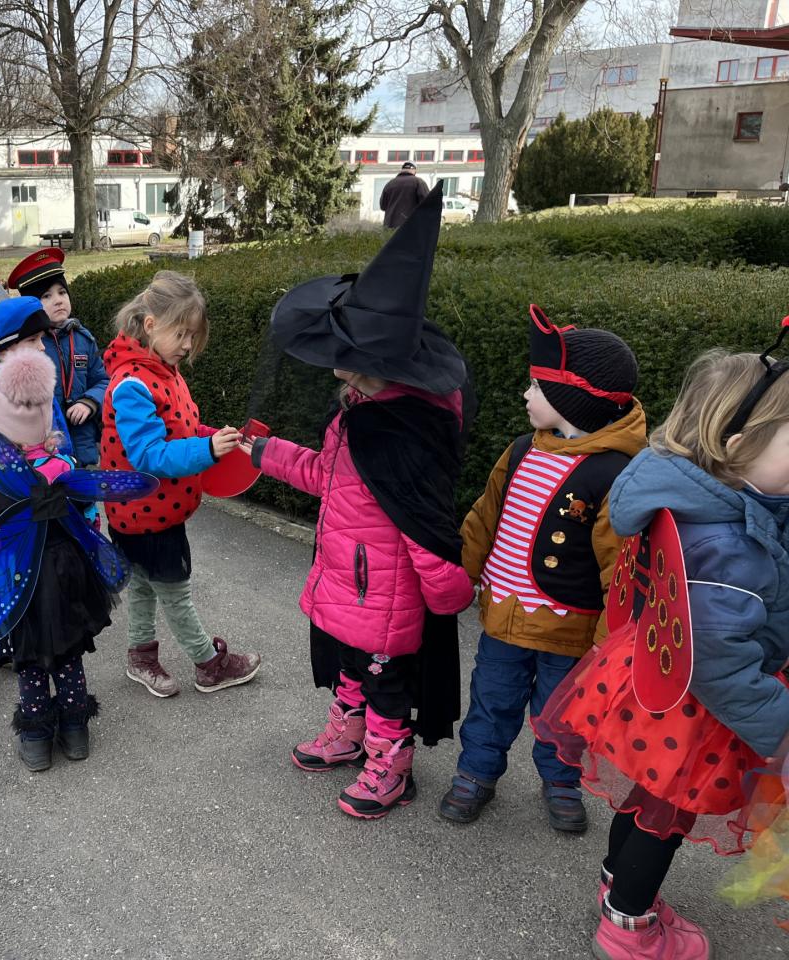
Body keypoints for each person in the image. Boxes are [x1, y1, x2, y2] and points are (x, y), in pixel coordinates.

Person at [533, 340, 789, 959]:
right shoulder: (728, 545)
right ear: (737, 446)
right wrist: (780, 729)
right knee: (667, 815)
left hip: (660, 675)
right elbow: (719, 660)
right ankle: (628, 926)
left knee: (651, 799)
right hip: (700, 706)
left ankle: (616, 884)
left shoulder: (703, 496)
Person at [248, 183, 475, 819]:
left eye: (341, 356)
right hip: (348, 580)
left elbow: (420, 522)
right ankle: (349, 737)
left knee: (385, 683)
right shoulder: (357, 412)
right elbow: (329, 478)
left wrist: (446, 589)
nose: (331, 365)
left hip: (385, 592)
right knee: (351, 668)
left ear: (370, 364)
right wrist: (263, 453)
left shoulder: (401, 430)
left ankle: (389, 764)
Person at [439, 306, 646, 834]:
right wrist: (456, 580)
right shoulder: (519, 451)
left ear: (572, 399)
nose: (525, 395)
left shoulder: (614, 473)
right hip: (504, 618)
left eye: (537, 386)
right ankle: (476, 773)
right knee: (491, 700)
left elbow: (620, 568)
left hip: (570, 630)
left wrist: (608, 646)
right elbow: (483, 520)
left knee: (564, 714)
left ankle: (561, 781)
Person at [0, 351, 154, 770]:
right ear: (46, 421)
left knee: (30, 660)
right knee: (68, 654)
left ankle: (37, 739)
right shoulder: (64, 466)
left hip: (18, 578)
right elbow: (89, 516)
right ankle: (76, 731)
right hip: (67, 574)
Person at [100, 270, 261, 697]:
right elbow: (149, 455)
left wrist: (214, 438)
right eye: (181, 333)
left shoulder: (163, 369)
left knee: (142, 584)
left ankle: (140, 657)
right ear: (151, 325)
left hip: (145, 511)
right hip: (148, 515)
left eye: (193, 335)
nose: (188, 344)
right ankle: (210, 664)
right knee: (175, 592)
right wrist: (207, 449)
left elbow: (180, 429)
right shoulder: (133, 385)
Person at [8, 248, 109, 466]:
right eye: (46, 296)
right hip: (45, 451)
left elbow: (102, 380)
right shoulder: (29, 346)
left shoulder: (83, 338)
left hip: (84, 446)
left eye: (62, 292)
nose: (58, 300)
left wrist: (90, 402)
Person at [0, 295, 74, 453]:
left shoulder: (33, 381)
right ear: (5, 350)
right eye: (32, 340)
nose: (42, 347)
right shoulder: (9, 393)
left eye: (41, 339)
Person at [379, 162, 430, 229]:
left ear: (402, 170)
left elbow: (382, 206)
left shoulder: (389, 184)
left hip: (389, 227)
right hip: (410, 227)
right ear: (414, 170)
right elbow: (428, 204)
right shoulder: (419, 182)